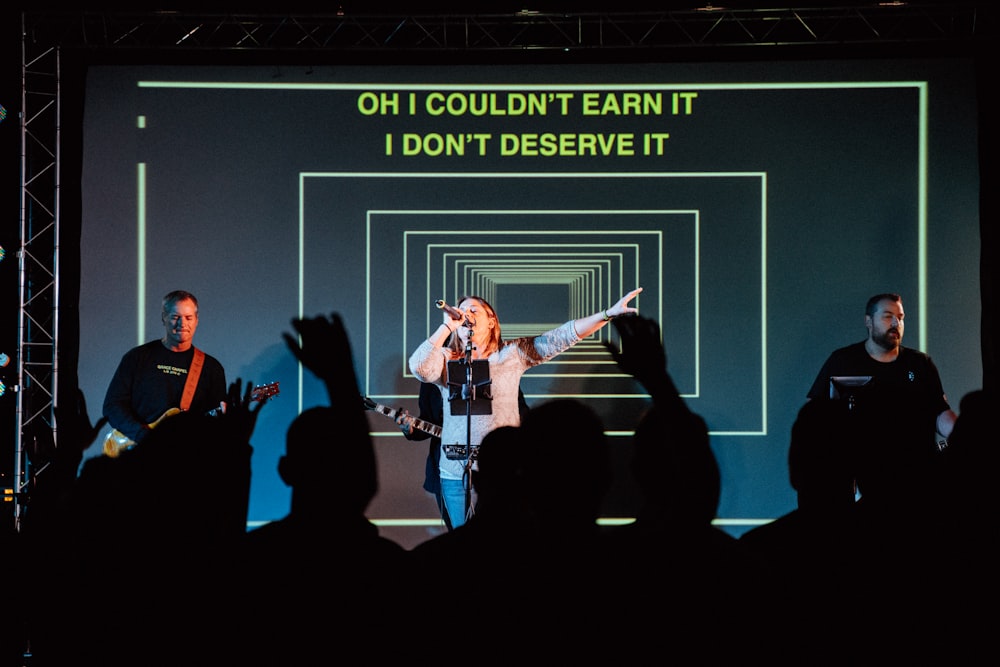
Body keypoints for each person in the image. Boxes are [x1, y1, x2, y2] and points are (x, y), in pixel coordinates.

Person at [408, 287, 642, 529]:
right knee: (465, 546)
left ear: (491, 321)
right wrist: (447, 326)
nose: (466, 314)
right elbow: (419, 367)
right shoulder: (446, 359)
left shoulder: (511, 354)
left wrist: (607, 314)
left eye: (474, 309)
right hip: (455, 474)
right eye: (463, 310)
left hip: (502, 471)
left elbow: (562, 336)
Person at [805, 292, 957, 512]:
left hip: (914, 482)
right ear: (868, 321)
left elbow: (940, 413)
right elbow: (814, 419)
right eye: (888, 316)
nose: (896, 323)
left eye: (901, 317)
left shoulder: (920, 364)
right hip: (860, 483)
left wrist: (965, 432)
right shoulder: (843, 361)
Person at [101, 289, 227, 456]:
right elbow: (112, 405)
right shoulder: (137, 357)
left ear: (197, 320)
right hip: (137, 453)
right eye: (175, 317)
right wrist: (144, 436)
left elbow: (213, 425)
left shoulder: (211, 368)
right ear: (164, 318)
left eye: (189, 318)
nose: (182, 324)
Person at [394, 380, 530, 531]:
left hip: (496, 471)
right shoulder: (431, 374)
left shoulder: (497, 367)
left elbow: (521, 413)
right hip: (449, 471)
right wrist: (409, 429)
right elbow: (428, 418)